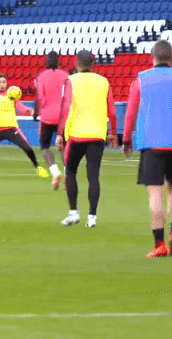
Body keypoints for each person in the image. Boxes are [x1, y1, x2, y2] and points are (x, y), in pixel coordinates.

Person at [57, 50, 117, 228]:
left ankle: (73, 213)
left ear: (76, 63)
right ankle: (92, 217)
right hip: (97, 135)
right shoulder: (103, 82)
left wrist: (60, 133)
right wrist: (113, 132)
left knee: (70, 172)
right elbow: (112, 112)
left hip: (76, 135)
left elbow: (66, 108)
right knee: (94, 176)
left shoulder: (71, 81)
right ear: (92, 63)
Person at [123, 40, 172, 257]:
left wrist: (126, 139)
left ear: (152, 56)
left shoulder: (141, 80)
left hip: (151, 143)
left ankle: (159, 244)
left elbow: (131, 112)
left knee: (155, 194)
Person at [0, 73, 48, 179]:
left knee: (28, 149)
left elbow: (20, 106)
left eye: (3, 82)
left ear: (6, 83)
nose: (1, 84)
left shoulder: (12, 95)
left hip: (11, 129)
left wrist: (28, 111)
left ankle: (38, 167)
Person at [33, 51, 69, 189]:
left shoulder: (41, 76)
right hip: (63, 117)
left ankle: (55, 172)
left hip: (47, 116)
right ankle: (67, 175)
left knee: (45, 146)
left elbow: (40, 97)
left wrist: (36, 113)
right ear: (59, 61)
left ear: (46, 61)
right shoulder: (66, 76)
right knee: (64, 146)